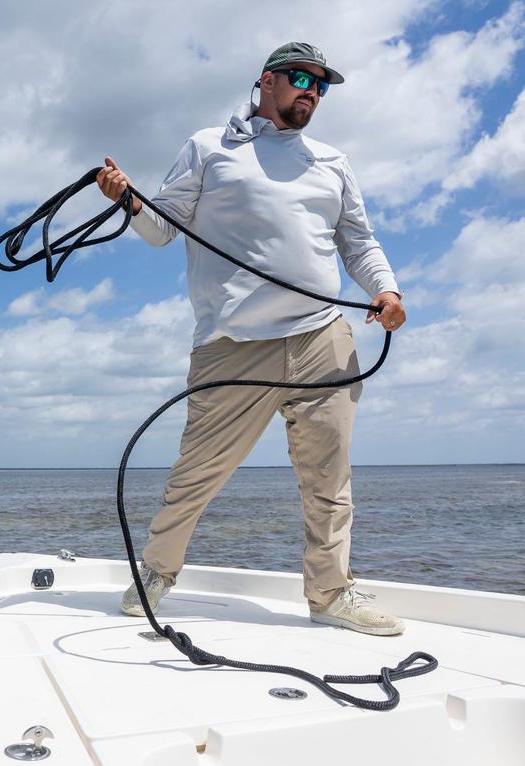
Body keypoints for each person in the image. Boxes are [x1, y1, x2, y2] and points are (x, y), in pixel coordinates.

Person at [95, 42, 407, 636]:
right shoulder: (209, 147)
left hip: (322, 337)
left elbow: (358, 243)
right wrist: (127, 200)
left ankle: (331, 593)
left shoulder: (332, 161)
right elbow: (163, 228)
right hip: (232, 344)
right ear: (267, 81)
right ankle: (157, 573)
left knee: (328, 478)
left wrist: (386, 291)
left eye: (321, 84)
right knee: (196, 473)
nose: (311, 91)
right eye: (299, 78)